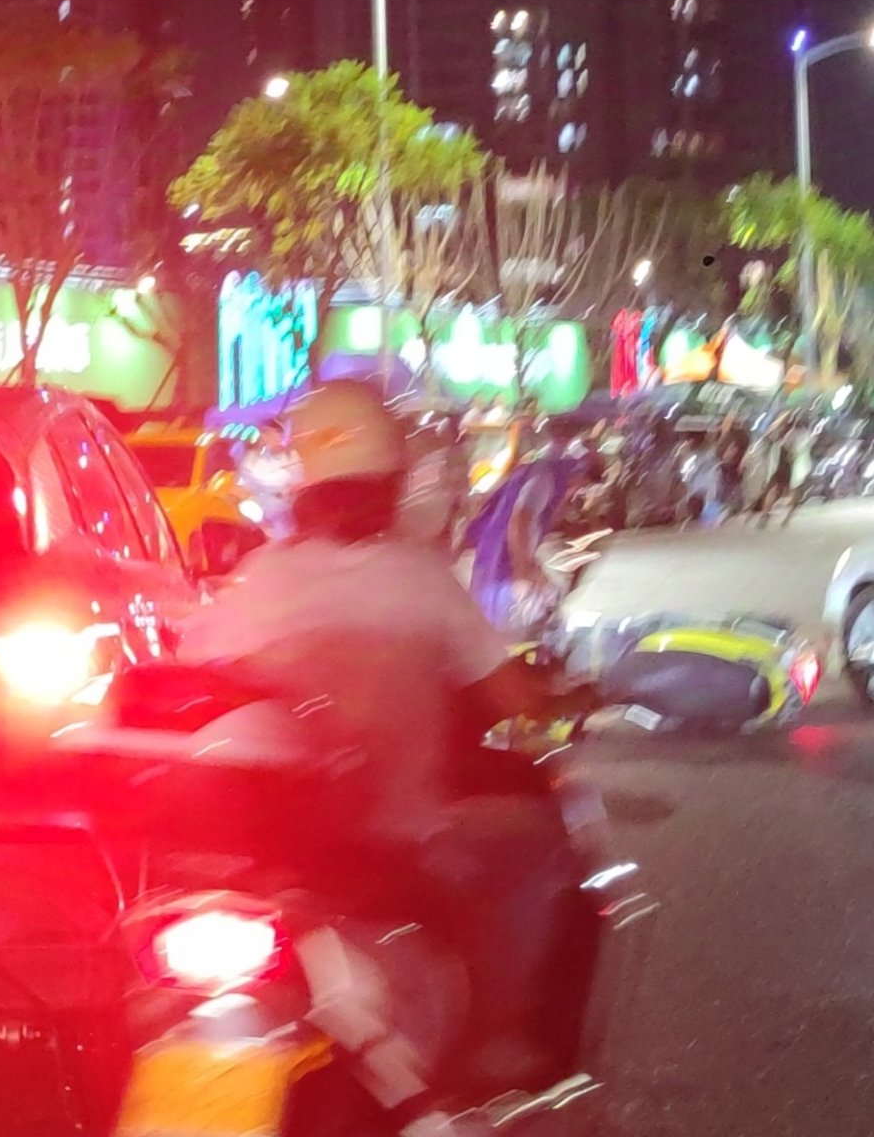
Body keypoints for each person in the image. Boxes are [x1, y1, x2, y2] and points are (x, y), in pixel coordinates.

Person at [182, 380, 582, 1085]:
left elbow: (196, 687)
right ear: (392, 483)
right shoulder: (420, 579)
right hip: (404, 843)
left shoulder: (257, 582)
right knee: (535, 841)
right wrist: (579, 692)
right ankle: (501, 1034)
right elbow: (513, 696)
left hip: (272, 859)